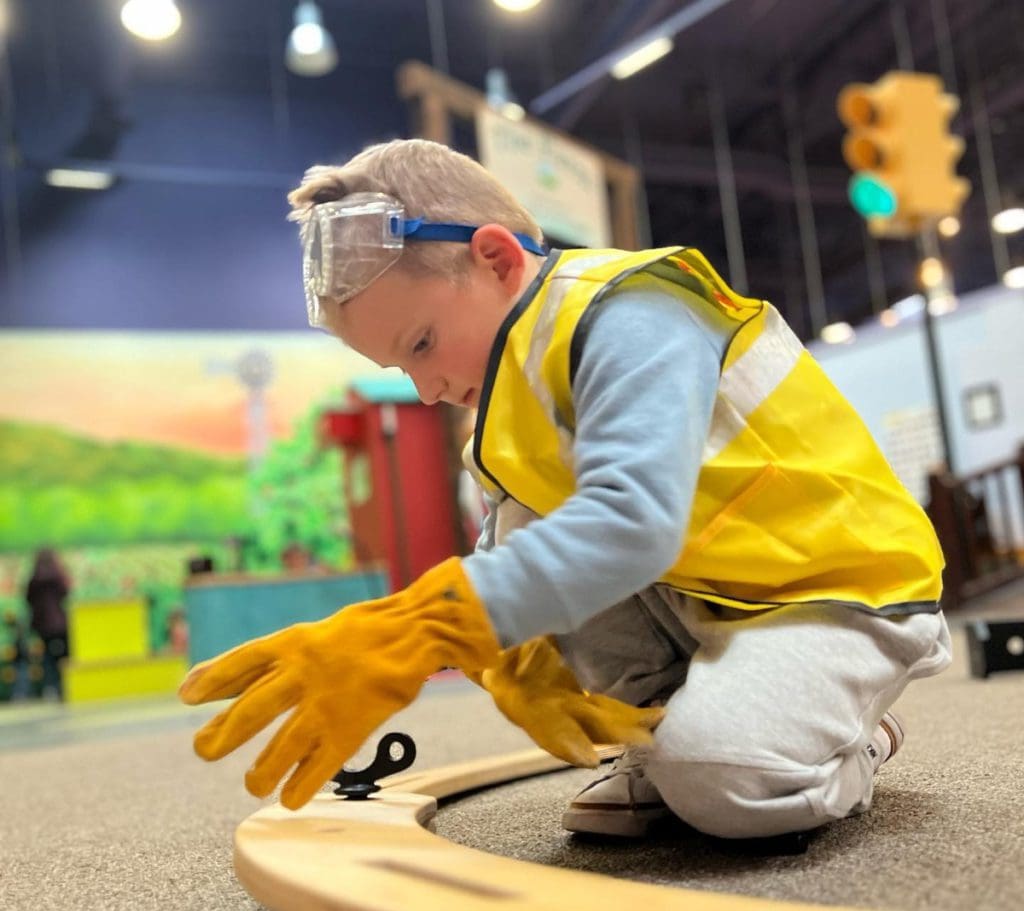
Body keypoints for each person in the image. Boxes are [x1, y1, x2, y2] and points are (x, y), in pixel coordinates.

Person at [180, 139, 951, 842]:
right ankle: (669, 737)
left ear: (495, 258)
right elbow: (508, 543)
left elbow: (632, 524)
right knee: (525, 536)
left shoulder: (630, 310)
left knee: (723, 787)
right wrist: (508, 658)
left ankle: (846, 743)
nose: (424, 388)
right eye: (400, 367)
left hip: (837, 591)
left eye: (421, 344)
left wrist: (424, 629)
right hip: (712, 594)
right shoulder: (506, 400)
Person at [25, 548, 71, 702]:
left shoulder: (33, 580)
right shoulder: (58, 577)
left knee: (48, 657)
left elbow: (28, 599)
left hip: (41, 625)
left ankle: (50, 687)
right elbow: (66, 594)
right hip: (59, 624)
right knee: (63, 655)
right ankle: (64, 687)